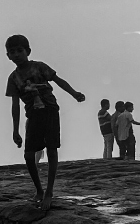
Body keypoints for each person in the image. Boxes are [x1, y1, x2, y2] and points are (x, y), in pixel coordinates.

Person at [5, 33, 85, 213]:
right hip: (32, 114)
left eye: (20, 50)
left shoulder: (39, 66)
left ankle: (49, 191)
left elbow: (58, 80)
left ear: (28, 51)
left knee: (51, 149)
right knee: (28, 155)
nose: (16, 54)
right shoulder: (13, 78)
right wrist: (15, 131)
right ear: (8, 56)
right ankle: (39, 190)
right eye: (12, 52)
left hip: (49, 109)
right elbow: (15, 105)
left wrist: (74, 93)